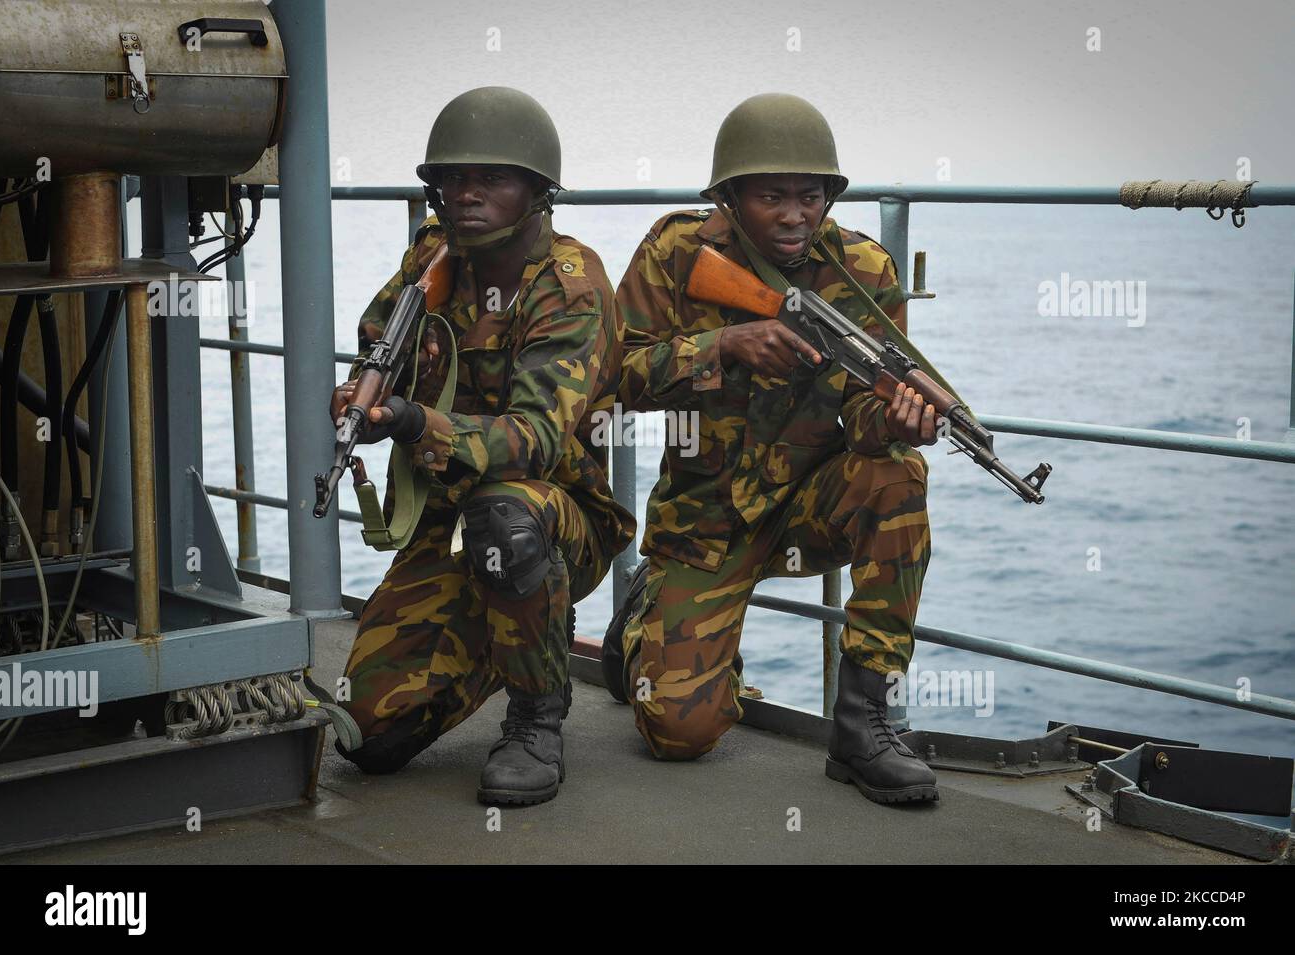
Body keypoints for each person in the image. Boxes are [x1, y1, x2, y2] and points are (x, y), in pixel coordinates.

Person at [603, 93, 940, 804]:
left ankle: (863, 724)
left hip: (807, 507)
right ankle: (642, 624)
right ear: (729, 196)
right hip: (706, 518)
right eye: (773, 197)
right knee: (678, 734)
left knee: (899, 475)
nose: (795, 215)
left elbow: (865, 413)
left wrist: (900, 420)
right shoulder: (677, 253)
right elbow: (615, 377)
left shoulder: (861, 272)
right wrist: (719, 346)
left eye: (810, 196)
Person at [330, 86, 634, 805]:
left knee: (506, 515)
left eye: (491, 179)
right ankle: (502, 638)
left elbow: (535, 439)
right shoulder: (432, 262)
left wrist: (410, 422)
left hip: (555, 515)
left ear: (535, 189)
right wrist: (357, 396)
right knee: (367, 738)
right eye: (453, 179)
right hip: (449, 518)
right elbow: (381, 345)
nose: (467, 194)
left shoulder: (569, 285)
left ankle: (535, 720)